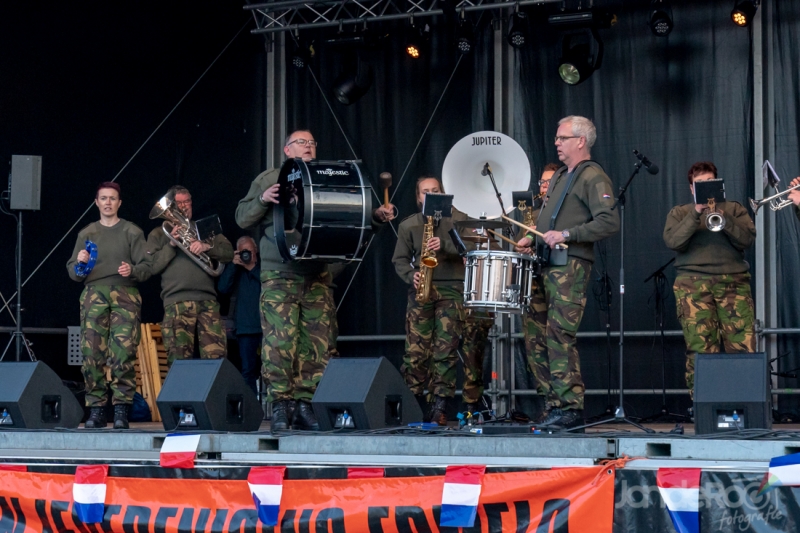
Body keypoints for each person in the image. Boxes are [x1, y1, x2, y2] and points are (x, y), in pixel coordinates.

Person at [236, 129, 396, 431]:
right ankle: (281, 406)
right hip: (280, 273)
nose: (308, 146)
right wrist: (263, 198)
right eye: (301, 142)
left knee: (318, 344)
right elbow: (242, 217)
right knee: (280, 343)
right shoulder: (269, 178)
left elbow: (347, 219)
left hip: (317, 274)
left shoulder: (327, 177)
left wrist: (375, 218)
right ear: (287, 149)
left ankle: (306, 406)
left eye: (312, 142)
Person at [515, 116, 620, 430]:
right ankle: (553, 404)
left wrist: (567, 234)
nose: (557, 143)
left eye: (563, 138)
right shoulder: (561, 175)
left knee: (559, 334)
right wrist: (531, 236)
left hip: (569, 264)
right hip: (545, 263)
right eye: (557, 138)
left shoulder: (593, 176)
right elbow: (548, 220)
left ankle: (570, 408)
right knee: (537, 336)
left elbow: (609, 222)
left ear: (581, 141)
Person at [663, 161, 757, 397]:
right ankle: (704, 405)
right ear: (691, 188)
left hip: (733, 283)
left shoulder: (734, 209)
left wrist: (724, 218)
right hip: (692, 285)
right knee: (700, 350)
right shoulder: (679, 213)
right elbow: (674, 242)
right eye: (700, 184)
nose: (705, 186)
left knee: (742, 347)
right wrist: (696, 212)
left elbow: (746, 240)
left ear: (718, 183)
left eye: (710, 182)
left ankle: (745, 404)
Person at [66, 182, 151, 429]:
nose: (108, 202)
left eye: (112, 198)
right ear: (96, 202)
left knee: (123, 353)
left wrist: (132, 270)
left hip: (126, 294)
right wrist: (80, 262)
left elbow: (147, 268)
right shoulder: (87, 233)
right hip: (94, 294)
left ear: (119, 203)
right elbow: (73, 271)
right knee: (92, 353)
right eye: (103, 198)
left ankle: (122, 409)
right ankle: (96, 410)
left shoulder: (132, 232)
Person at [392, 175, 468, 425]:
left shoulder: (458, 219)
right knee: (415, 351)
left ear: (443, 193)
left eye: (435, 190)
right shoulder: (409, 225)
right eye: (426, 192)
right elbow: (399, 260)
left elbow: (469, 249)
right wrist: (410, 275)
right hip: (421, 291)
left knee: (445, 351)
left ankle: (440, 406)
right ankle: (412, 405)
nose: (431, 195)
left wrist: (444, 244)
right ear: (418, 197)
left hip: (451, 290)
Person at [145, 185, 233, 366]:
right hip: (177, 302)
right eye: (178, 203)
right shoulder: (159, 233)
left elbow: (228, 253)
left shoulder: (204, 228)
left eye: (187, 202)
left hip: (208, 301)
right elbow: (152, 267)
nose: (184, 206)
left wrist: (207, 247)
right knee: (179, 362)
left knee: (216, 361)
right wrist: (172, 244)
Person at [217, 236, 262, 396]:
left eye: (248, 251)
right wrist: (232, 265)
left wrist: (252, 268)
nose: (246, 255)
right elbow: (222, 288)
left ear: (256, 251)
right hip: (245, 328)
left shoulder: (264, 268)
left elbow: (269, 283)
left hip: (267, 326)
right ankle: (252, 406)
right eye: (242, 252)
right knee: (247, 371)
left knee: (273, 368)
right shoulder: (235, 270)